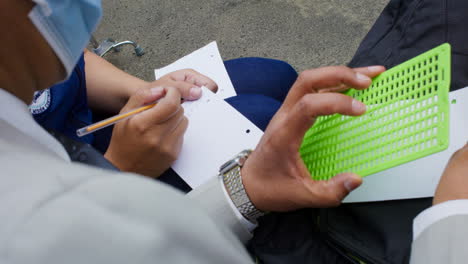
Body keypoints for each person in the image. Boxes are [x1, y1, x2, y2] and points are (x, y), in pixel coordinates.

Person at [0, 0, 387, 263]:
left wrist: (141, 91)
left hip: (85, 137)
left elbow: (71, 66)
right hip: (94, 186)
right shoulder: (27, 215)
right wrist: (122, 167)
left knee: (271, 74)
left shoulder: (21, 41)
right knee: (261, 117)